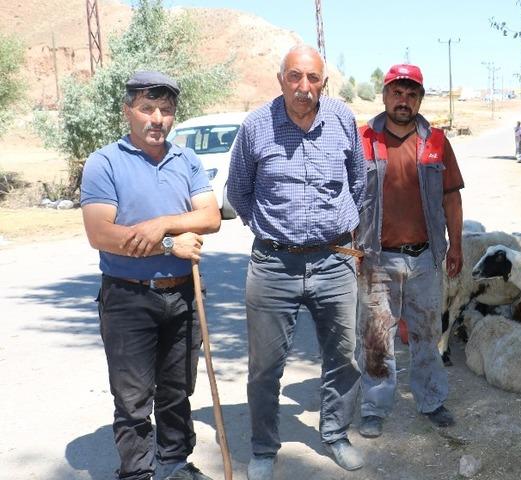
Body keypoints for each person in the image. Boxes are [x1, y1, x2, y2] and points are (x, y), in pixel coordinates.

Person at [226, 45, 367, 476]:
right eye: (295, 77)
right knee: (265, 367)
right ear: (281, 78)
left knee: (345, 357)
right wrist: (272, 232)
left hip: (335, 260)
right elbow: (238, 192)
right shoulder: (255, 127)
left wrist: (337, 231)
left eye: (313, 78)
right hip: (273, 265)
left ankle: (336, 434)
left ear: (324, 82)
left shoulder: (343, 120)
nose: (304, 87)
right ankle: (264, 448)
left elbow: (359, 182)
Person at [80, 71, 222, 480]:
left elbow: (210, 216)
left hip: (183, 295)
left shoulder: (186, 160)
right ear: (128, 111)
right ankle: (137, 473)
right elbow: (101, 233)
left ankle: (175, 465)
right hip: (128, 298)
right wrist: (169, 244)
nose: (157, 118)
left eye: (166, 110)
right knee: (132, 399)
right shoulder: (104, 162)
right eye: (147, 108)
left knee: (177, 391)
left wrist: (160, 224)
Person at [355, 63, 464, 440]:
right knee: (376, 337)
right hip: (376, 259)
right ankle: (374, 406)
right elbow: (346, 197)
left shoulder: (436, 141)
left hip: (425, 258)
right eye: (397, 93)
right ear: (385, 95)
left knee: (427, 334)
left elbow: (452, 199)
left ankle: (431, 400)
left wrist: (457, 246)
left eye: (412, 94)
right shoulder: (363, 138)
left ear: (420, 98)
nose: (404, 100)